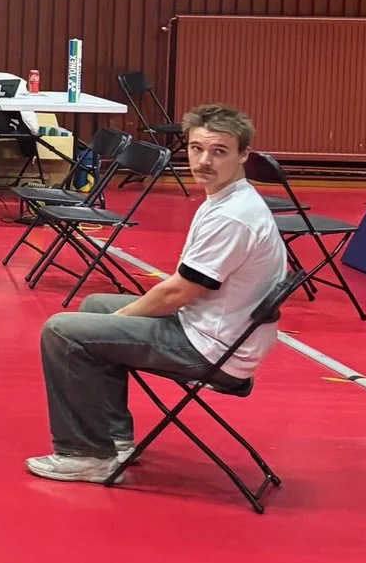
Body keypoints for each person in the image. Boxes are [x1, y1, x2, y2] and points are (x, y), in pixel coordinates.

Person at [28, 103, 287, 484]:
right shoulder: (227, 198)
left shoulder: (234, 216)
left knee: (63, 331)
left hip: (213, 348)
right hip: (215, 328)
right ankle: (114, 438)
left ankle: (86, 454)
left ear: (243, 155)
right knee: (95, 305)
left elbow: (178, 292)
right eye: (197, 149)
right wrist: (112, 321)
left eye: (219, 151)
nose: (204, 161)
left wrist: (118, 321)